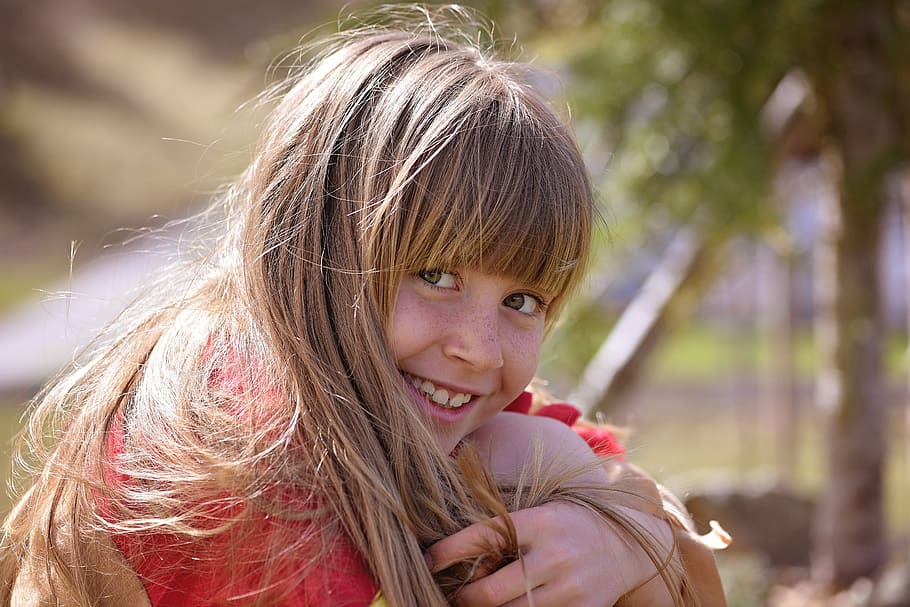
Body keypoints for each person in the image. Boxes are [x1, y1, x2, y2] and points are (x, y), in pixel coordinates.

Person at [0, 7, 727, 606]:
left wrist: (629, 533)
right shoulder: (243, 469)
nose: (478, 346)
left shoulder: (388, 401)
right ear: (310, 248)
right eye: (435, 274)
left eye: (522, 299)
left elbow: (675, 544)